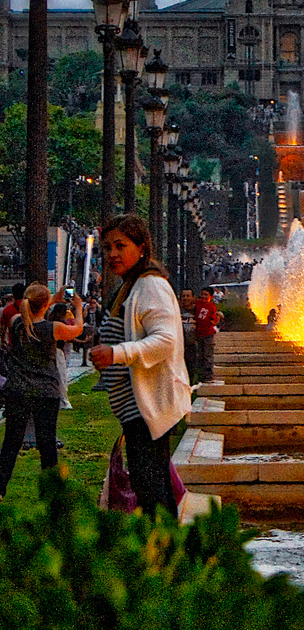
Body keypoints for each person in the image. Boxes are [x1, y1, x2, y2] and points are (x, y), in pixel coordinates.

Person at [90, 214, 191, 517]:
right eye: (107, 248)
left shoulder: (149, 286)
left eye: (120, 246)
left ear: (142, 247)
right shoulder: (132, 286)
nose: (112, 254)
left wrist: (116, 354)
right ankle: (167, 557)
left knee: (152, 493)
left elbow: (166, 341)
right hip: (138, 411)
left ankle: (163, 558)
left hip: (146, 410)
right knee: (154, 489)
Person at [0, 285, 83, 499]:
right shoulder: (53, 328)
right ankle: (52, 494)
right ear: (46, 304)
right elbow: (78, 329)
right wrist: (79, 307)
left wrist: (51, 299)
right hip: (45, 391)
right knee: (47, 444)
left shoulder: (16, 322)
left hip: (18, 389)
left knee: (11, 442)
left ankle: (0, 487)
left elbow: (31, 311)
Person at [194, 286, 220, 383]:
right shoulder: (197, 304)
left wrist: (215, 320)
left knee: (208, 355)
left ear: (211, 297)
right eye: (202, 294)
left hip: (208, 334)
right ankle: (200, 375)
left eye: (206, 295)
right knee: (200, 355)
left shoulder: (212, 307)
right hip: (199, 333)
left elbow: (213, 319)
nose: (203, 297)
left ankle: (208, 375)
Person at [78, 296, 104, 366]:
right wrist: (87, 308)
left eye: (94, 303)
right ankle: (84, 360)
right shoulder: (88, 311)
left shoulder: (98, 311)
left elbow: (103, 314)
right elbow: (84, 316)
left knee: (97, 344)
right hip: (89, 328)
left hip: (97, 328)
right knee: (86, 345)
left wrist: (98, 305)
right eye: (91, 303)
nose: (92, 305)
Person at [179, 288, 198, 386]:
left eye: (188, 296)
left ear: (193, 297)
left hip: (192, 345)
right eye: (183, 296)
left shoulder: (198, 310)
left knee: (191, 370)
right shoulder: (176, 310)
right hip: (179, 346)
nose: (185, 298)